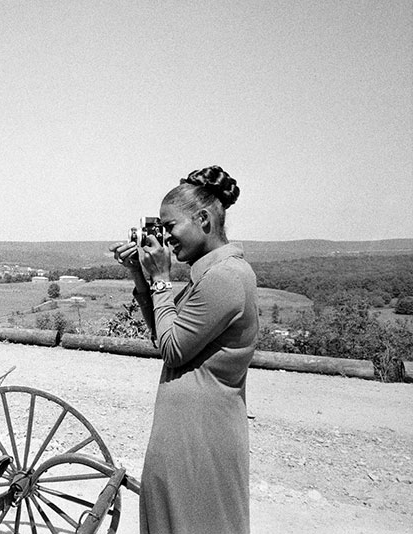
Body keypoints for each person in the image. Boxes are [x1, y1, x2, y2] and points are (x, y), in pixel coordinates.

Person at [110, 166, 258, 534]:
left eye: (170, 226)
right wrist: (140, 278)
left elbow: (173, 350)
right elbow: (166, 335)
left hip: (200, 436)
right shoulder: (209, 275)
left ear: (203, 219)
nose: (165, 238)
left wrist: (161, 280)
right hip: (188, 430)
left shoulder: (225, 277)